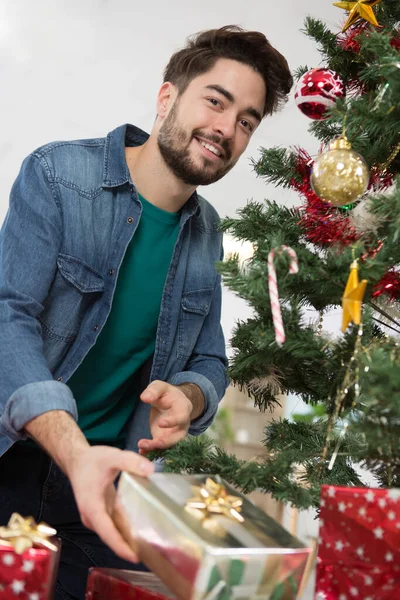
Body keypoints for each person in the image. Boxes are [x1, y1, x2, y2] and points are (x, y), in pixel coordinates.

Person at [0, 25, 292, 600]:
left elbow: (210, 358)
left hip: (108, 493)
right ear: (166, 99)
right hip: (13, 466)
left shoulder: (207, 233)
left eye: (247, 122)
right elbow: (9, 319)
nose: (226, 129)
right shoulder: (58, 175)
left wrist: (190, 396)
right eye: (216, 100)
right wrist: (74, 451)